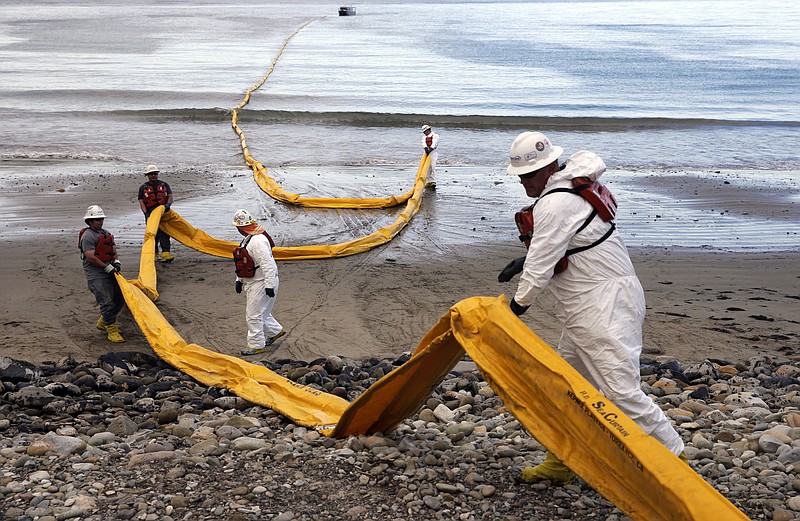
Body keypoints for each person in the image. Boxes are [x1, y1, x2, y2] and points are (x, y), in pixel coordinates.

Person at [499, 131, 685, 485]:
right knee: (567, 386)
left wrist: (516, 309)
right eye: (520, 177)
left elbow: (541, 264)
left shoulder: (554, 203)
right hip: (594, 305)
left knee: (621, 393)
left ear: (548, 167)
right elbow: (566, 246)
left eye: (527, 176)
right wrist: (525, 261)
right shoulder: (568, 189)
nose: (523, 184)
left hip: (603, 307)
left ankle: (680, 468)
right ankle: (562, 460)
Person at [232, 209, 285, 355]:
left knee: (253, 315)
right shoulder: (248, 239)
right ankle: (275, 332)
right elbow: (244, 262)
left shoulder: (257, 241)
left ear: (240, 227)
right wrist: (239, 280)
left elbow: (267, 264)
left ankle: (256, 345)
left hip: (261, 282)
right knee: (263, 313)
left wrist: (269, 285)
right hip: (255, 280)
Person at [79, 205, 125, 343]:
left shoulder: (105, 233)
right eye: (97, 219)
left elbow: (112, 248)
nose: (100, 222)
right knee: (106, 301)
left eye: (101, 219)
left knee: (120, 298)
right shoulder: (87, 237)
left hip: (109, 268)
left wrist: (116, 261)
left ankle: (104, 321)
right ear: (90, 221)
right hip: (96, 273)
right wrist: (106, 267)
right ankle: (111, 329)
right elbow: (91, 257)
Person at [137, 164, 175, 263]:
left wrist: (168, 205)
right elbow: (141, 201)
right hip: (150, 213)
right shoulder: (143, 187)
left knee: (165, 233)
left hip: (163, 213)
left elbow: (170, 196)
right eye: (151, 174)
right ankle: (154, 254)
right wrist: (145, 213)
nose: (153, 175)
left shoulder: (164, 185)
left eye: (155, 174)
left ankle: (166, 254)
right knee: (153, 234)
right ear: (147, 175)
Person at [421, 124, 439, 189]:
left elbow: (435, 143)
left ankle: (433, 181)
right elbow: (423, 142)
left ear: (428, 130)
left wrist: (431, 148)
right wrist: (425, 148)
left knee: (432, 166)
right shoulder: (424, 137)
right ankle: (428, 182)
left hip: (433, 152)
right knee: (426, 167)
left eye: (424, 131)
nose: (424, 133)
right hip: (426, 152)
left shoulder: (435, 135)